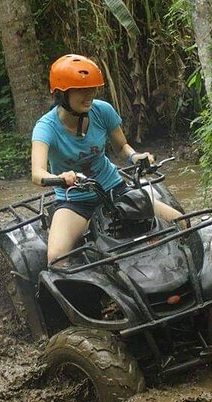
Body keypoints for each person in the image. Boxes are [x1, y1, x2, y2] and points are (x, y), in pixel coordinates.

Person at [31, 53, 183, 264]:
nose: (89, 96)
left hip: (115, 189)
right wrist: (60, 177)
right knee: (56, 258)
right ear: (61, 94)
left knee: (181, 222)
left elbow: (122, 146)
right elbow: (37, 173)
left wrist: (135, 157)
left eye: (92, 89)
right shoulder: (45, 127)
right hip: (75, 201)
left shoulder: (103, 111)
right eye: (81, 90)